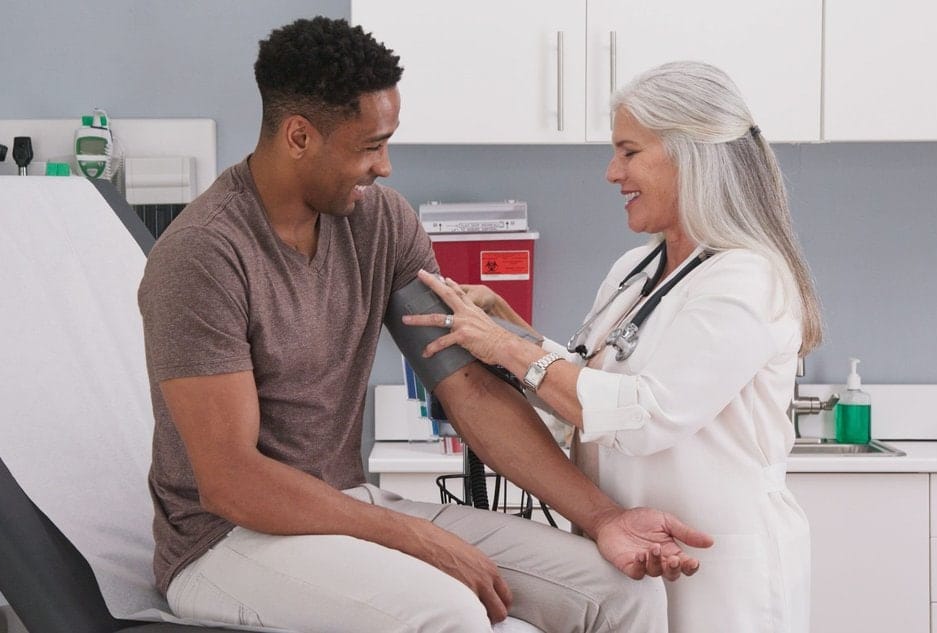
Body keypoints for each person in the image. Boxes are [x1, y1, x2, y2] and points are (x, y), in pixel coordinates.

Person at [138, 18, 714, 633]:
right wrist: (414, 537)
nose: (385, 167)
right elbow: (230, 482)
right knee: (448, 613)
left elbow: (466, 387)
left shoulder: (381, 223)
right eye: (368, 146)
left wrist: (603, 520)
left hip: (344, 506)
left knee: (620, 592)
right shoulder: (202, 256)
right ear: (299, 136)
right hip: (224, 544)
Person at [405, 61, 820, 633]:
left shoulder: (748, 278)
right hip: (634, 552)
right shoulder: (637, 268)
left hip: (722, 565)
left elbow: (646, 413)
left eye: (629, 152)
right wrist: (511, 328)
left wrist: (508, 347)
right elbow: (588, 384)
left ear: (689, 154)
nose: (610, 173)